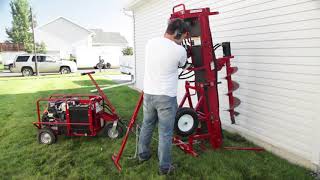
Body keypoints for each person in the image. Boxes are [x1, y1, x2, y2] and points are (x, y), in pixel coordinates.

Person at [138, 18, 189, 175]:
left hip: (149, 94)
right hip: (166, 97)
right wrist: (182, 45)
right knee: (165, 133)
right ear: (179, 34)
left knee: (147, 124)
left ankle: (143, 155)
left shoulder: (151, 43)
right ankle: (164, 168)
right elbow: (183, 65)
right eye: (183, 37)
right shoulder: (180, 50)